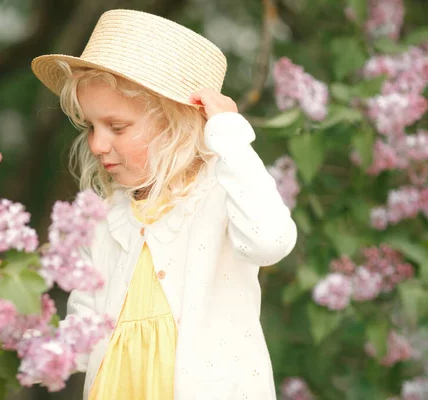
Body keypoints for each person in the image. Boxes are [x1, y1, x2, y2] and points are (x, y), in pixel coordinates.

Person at [31, 8, 297, 400]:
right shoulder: (104, 218)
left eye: (116, 127)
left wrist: (229, 136)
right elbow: (86, 331)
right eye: (90, 127)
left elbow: (270, 240)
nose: (97, 144)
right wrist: (18, 349)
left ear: (178, 124)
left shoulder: (220, 194)